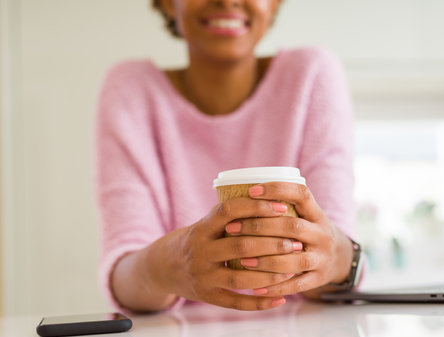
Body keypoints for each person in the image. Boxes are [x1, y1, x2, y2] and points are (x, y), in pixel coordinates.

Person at [96, 0, 359, 313]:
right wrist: (163, 265)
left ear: (274, 5)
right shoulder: (132, 89)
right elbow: (125, 275)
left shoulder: (312, 73)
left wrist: (339, 257)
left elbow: (334, 260)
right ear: (167, 4)